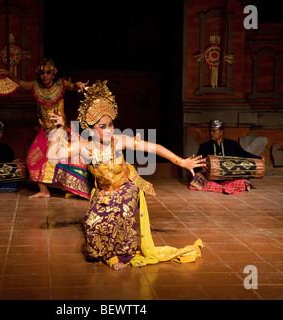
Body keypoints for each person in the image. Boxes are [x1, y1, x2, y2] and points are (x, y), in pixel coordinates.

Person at [47, 80, 206, 270]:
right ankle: (104, 254)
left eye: (110, 125)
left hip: (126, 186)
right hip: (103, 192)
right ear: (90, 129)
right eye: (102, 126)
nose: (108, 130)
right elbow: (52, 155)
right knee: (91, 222)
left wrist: (181, 161)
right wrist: (58, 129)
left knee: (120, 213)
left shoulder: (120, 141)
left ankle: (122, 256)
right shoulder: (84, 147)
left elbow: (153, 147)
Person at [0, 58, 90, 199]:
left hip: (61, 130)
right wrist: (9, 74)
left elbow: (73, 86)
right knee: (31, 160)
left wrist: (79, 85)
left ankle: (73, 189)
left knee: (68, 161)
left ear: (53, 74)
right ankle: (44, 190)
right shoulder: (36, 87)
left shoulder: (61, 85)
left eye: (48, 72)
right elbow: (21, 83)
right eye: (42, 73)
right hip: (45, 132)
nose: (45, 76)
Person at [189, 120, 265, 195]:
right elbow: (196, 164)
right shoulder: (204, 146)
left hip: (228, 178)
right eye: (210, 131)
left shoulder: (232, 144)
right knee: (197, 178)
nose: (211, 133)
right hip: (210, 178)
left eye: (214, 131)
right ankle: (223, 188)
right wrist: (202, 167)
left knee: (242, 181)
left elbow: (243, 154)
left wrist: (258, 158)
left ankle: (218, 188)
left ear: (221, 132)